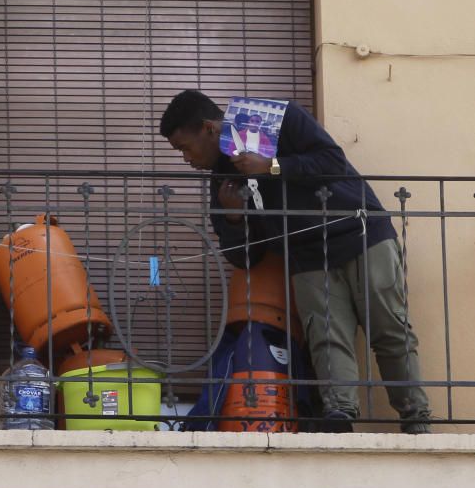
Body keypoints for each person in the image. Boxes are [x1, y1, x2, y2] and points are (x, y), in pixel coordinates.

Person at [160, 89, 431, 433]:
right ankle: (339, 417)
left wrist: (272, 166)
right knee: (327, 338)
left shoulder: (270, 118)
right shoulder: (223, 183)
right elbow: (246, 258)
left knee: (389, 329)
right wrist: (234, 219)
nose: (185, 158)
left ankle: (415, 417)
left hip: (361, 234)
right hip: (306, 256)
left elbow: (331, 160)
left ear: (210, 129)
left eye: (184, 147)